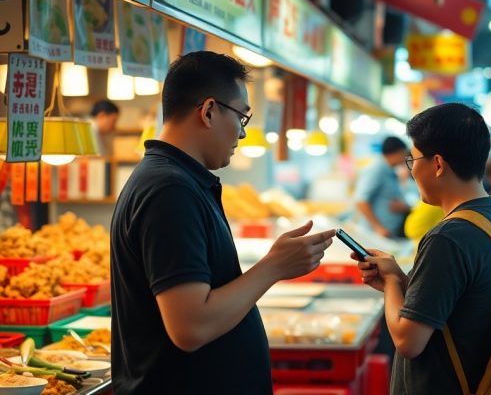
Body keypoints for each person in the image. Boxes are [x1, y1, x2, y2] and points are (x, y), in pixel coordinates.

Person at [110, 51, 335, 394]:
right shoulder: (170, 190)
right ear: (209, 111)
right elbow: (191, 327)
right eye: (242, 117)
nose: (242, 135)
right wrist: (274, 267)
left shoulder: (178, 181)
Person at [355, 103, 491, 394]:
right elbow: (455, 307)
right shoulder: (490, 217)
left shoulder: (448, 238)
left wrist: (393, 282)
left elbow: (408, 342)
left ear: (438, 164)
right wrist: (403, 282)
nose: (412, 169)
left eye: (413, 159)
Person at [354, 136, 411, 238]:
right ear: (397, 153)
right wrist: (378, 227)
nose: (405, 157)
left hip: (389, 234)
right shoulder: (376, 169)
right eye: (403, 154)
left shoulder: (390, 171)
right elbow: (360, 200)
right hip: (375, 235)